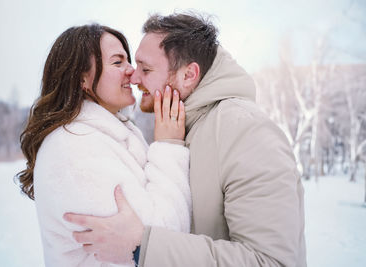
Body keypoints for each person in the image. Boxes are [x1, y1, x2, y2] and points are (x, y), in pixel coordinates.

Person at [64, 13, 307, 267]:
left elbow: (271, 261)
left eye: (146, 69)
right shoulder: (178, 127)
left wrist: (142, 246)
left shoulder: (246, 131)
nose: (134, 78)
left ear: (189, 75)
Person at [16, 24, 192, 267]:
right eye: (118, 62)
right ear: (82, 78)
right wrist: (169, 146)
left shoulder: (108, 134)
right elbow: (163, 239)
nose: (132, 71)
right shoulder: (73, 149)